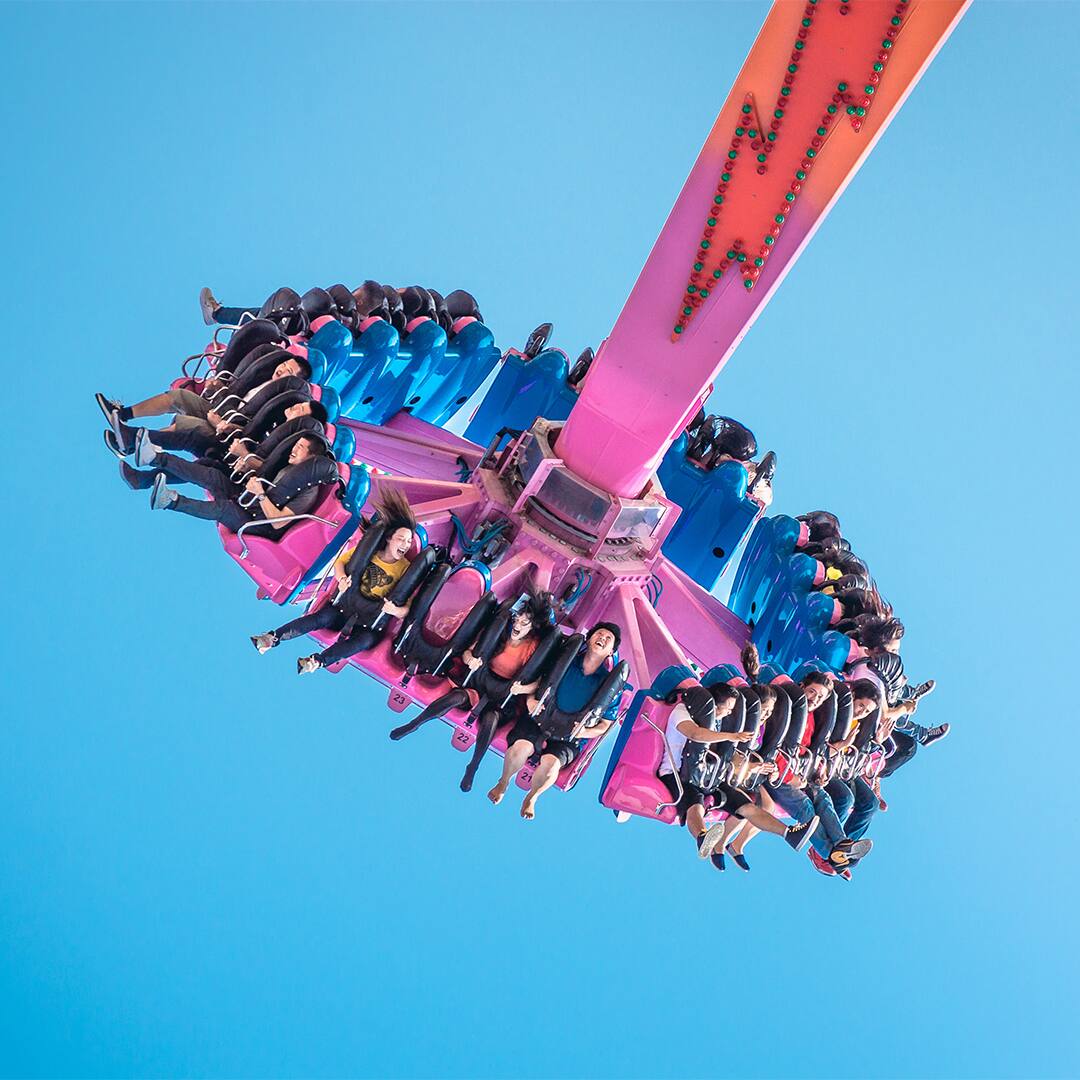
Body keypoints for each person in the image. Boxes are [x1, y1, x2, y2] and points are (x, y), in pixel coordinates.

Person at [388, 589, 555, 792]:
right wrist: (470, 659)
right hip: (479, 682)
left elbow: (538, 682)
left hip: (503, 697)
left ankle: (473, 766)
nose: (517, 625)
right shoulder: (500, 633)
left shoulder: (533, 647)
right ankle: (414, 723)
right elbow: (469, 651)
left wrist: (522, 689)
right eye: (517, 619)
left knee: (491, 719)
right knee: (457, 696)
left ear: (532, 627)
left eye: (524, 623)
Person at [250, 490, 420, 671]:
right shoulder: (370, 552)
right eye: (401, 539)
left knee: (363, 640)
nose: (405, 544)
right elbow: (341, 562)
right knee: (322, 618)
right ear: (389, 538)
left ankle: (317, 661)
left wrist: (394, 610)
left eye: (408, 542)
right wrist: (342, 578)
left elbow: (406, 610)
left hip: (369, 620)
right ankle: (272, 638)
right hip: (344, 605)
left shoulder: (405, 569)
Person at [658, 681, 818, 872]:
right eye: (727, 709)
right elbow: (696, 734)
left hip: (708, 775)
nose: (728, 713)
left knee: (746, 806)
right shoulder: (682, 713)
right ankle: (702, 837)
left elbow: (722, 753)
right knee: (695, 803)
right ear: (714, 705)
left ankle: (789, 833)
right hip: (676, 774)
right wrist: (731, 736)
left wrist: (745, 762)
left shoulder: (716, 720)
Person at [487, 623, 623, 820]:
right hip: (541, 717)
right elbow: (541, 682)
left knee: (551, 765)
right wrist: (530, 700)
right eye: (598, 634)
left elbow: (605, 724)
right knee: (522, 747)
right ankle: (503, 782)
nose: (601, 638)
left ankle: (532, 797)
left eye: (607, 638)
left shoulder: (610, 686)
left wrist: (584, 731)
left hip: (570, 735)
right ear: (589, 639)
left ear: (611, 651)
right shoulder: (566, 661)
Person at [145, 434, 334, 536]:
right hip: (248, 501)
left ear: (311, 458)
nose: (294, 449)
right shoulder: (289, 469)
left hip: (259, 524)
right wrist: (247, 471)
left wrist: (260, 494)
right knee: (214, 475)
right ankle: (156, 458)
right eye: (296, 444)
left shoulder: (308, 492)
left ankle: (169, 501)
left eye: (300, 448)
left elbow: (278, 523)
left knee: (225, 509)